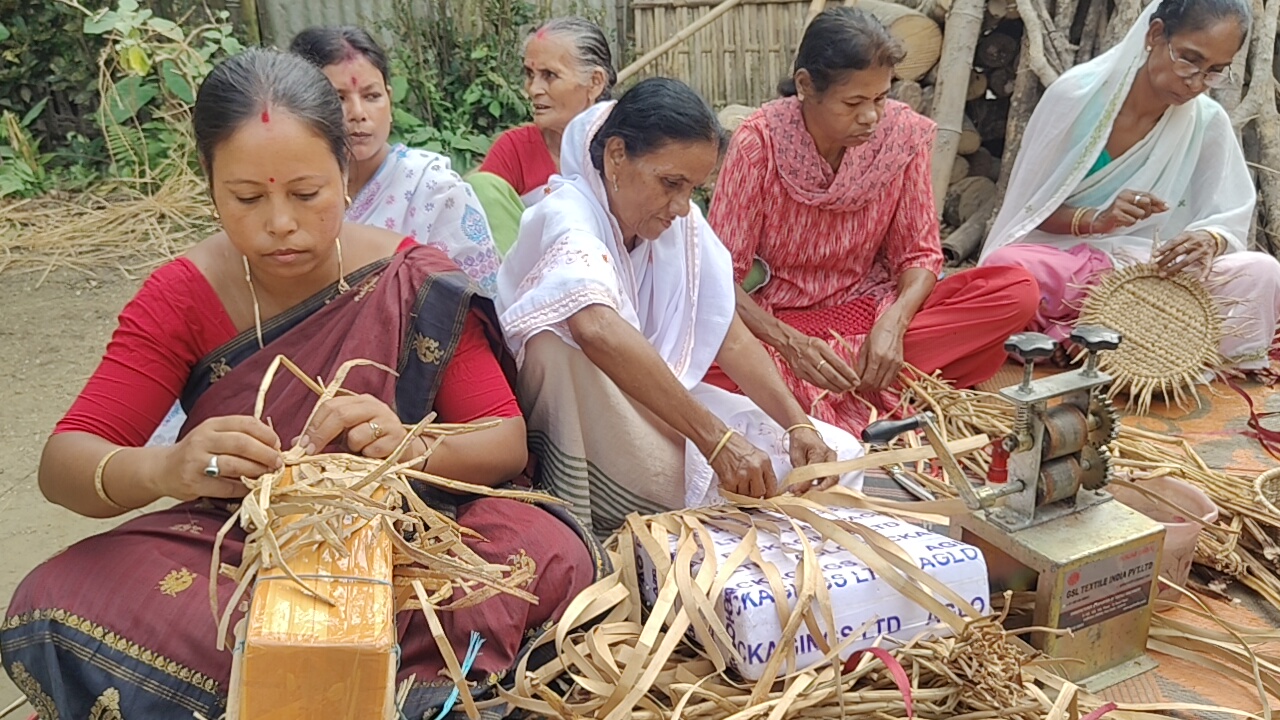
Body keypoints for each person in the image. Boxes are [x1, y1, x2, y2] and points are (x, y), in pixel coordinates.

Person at [0, 49, 601, 719]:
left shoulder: (410, 278)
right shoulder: (182, 294)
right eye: (247, 198)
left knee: (543, 546)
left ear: (346, 176)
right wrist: (169, 467)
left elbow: (504, 441)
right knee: (56, 593)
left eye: (307, 194)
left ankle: (397, 689)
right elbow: (66, 463)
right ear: (209, 186)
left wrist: (407, 446)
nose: (280, 222)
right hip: (241, 545)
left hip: (413, 534)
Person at [496, 78, 866, 539]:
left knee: (838, 451)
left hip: (659, 402)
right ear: (616, 156)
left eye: (693, 188)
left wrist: (797, 424)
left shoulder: (674, 224)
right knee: (558, 349)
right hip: (594, 417)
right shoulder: (567, 216)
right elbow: (596, 327)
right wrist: (716, 441)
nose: (682, 206)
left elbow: (727, 333)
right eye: (671, 183)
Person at [707, 7, 1039, 434]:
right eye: (854, 102)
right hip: (785, 327)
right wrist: (789, 346)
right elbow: (720, 278)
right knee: (701, 364)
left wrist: (894, 324)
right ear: (807, 86)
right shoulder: (758, 142)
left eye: (881, 98)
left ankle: (849, 378)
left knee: (1017, 291)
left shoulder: (902, 136)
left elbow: (919, 253)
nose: (872, 117)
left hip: (874, 313)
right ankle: (864, 382)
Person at [982, 0, 1280, 371]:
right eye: (1189, 59)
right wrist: (1098, 220)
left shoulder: (1207, 121)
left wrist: (1209, 240)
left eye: (1215, 71)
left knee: (1261, 272)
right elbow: (1030, 212)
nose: (1196, 82)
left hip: (1154, 272)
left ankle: (1091, 340)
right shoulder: (1077, 99)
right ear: (1155, 35)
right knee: (1007, 269)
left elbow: (1227, 214)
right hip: (1071, 268)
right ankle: (1125, 342)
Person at [290, 26, 501, 295]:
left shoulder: (435, 189)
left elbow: (476, 301)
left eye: (371, 96)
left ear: (389, 99)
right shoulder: (285, 191)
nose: (358, 113)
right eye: (338, 98)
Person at [477, 17, 615, 207]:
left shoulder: (623, 151)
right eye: (530, 75)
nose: (534, 89)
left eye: (550, 75)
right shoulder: (514, 151)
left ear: (595, 82)